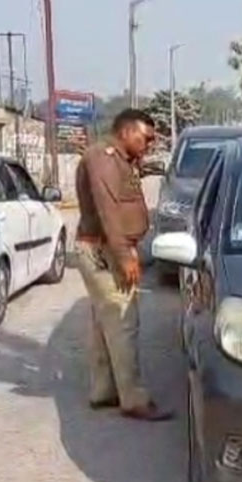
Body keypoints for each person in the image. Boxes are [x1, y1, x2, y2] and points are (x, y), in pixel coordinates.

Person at [73, 108, 172, 422]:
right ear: (127, 131)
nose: (149, 145)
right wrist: (124, 255)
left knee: (105, 324)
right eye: (146, 138)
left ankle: (104, 391)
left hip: (107, 248)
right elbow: (108, 211)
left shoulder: (121, 160)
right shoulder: (102, 156)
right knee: (123, 321)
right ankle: (133, 399)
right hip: (104, 251)